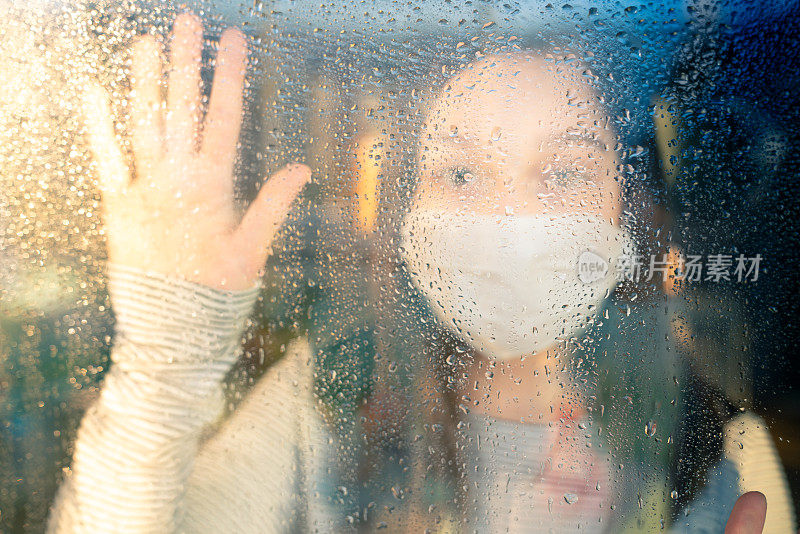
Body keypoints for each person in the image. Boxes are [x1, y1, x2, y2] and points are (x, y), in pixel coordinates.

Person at [47, 11, 788, 534]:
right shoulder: (330, 397)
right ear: (408, 212)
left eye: (563, 173)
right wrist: (169, 350)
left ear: (624, 206)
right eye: (461, 172)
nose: (510, 220)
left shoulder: (690, 430)